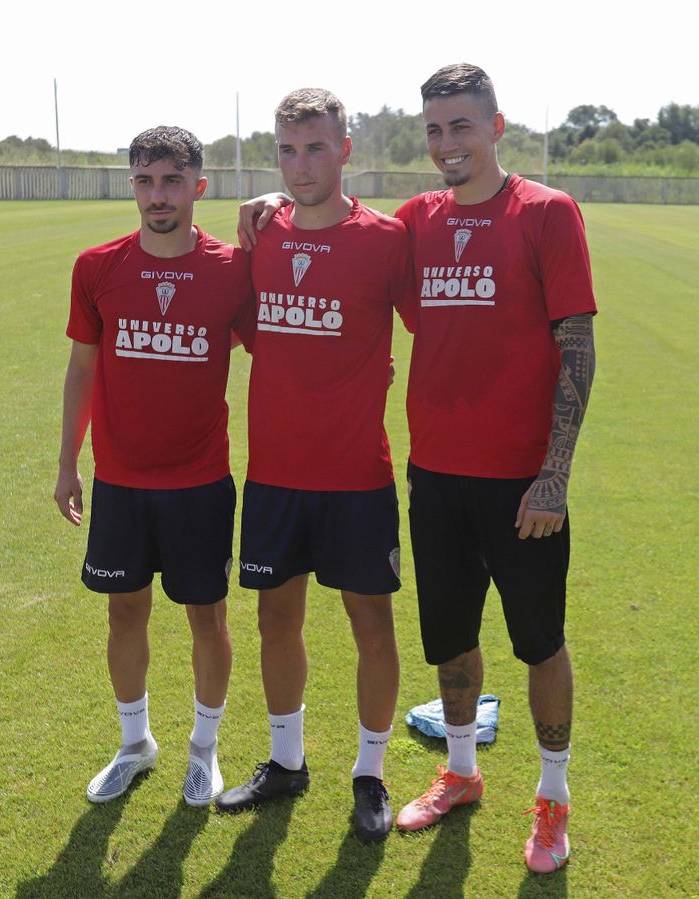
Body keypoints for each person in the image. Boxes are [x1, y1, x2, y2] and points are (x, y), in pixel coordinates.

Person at [238, 62, 597, 873]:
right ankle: (461, 772)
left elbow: (577, 344)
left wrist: (555, 472)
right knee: (452, 640)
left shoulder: (548, 212)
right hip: (433, 474)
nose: (446, 144)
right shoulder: (415, 224)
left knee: (540, 641)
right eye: (435, 130)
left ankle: (552, 799)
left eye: (462, 127)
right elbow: (337, 253)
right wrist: (273, 208)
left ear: (496, 127)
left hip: (523, 482)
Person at [212, 88, 414, 843]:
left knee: (370, 619)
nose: (301, 165)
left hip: (358, 474)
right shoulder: (260, 235)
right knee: (275, 615)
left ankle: (370, 771)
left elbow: (439, 327)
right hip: (274, 474)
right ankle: (286, 761)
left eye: (316, 148)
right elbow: (242, 328)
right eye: (289, 150)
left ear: (345, 149)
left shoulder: (388, 240)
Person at [55, 125, 253, 809]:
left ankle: (204, 750)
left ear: (199, 185)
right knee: (123, 612)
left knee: (208, 618)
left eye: (172, 180)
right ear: (131, 184)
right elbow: (83, 367)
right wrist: (67, 461)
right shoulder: (97, 266)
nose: (157, 194)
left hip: (199, 482)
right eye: (145, 180)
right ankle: (135, 743)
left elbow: (280, 350)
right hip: (121, 482)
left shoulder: (232, 269)